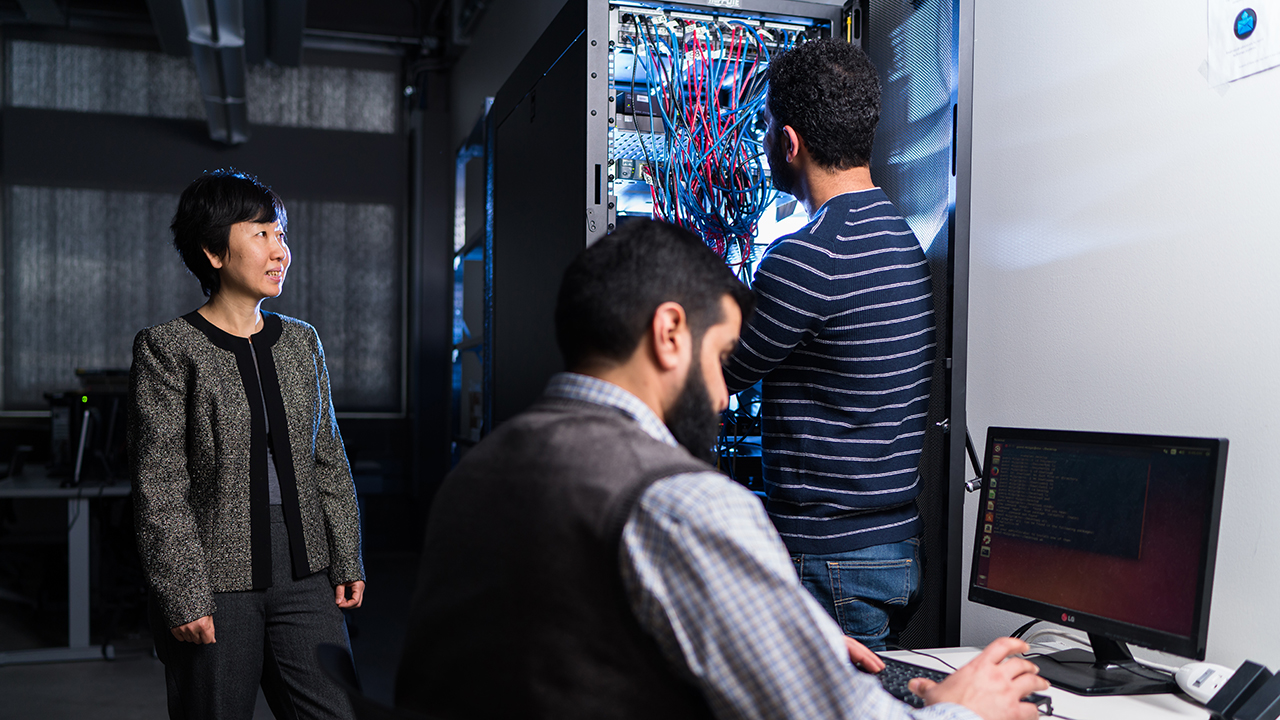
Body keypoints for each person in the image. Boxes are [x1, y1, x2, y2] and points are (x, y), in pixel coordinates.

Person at [395, 219, 1047, 720]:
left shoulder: (478, 471)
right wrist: (961, 706)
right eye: (724, 356)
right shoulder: (676, 500)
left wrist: (779, 640)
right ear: (670, 332)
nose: (724, 393)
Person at [722, 39, 937, 649]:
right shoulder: (904, 241)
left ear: (789, 142)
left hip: (828, 557)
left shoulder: (804, 257)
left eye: (765, 127)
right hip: (894, 549)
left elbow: (719, 374)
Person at [129, 169, 365, 720]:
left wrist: (346, 554)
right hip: (215, 576)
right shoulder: (168, 348)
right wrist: (182, 592)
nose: (279, 249)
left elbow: (327, 454)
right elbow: (159, 483)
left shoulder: (302, 341)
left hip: (307, 570)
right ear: (214, 252)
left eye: (280, 233)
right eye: (260, 233)